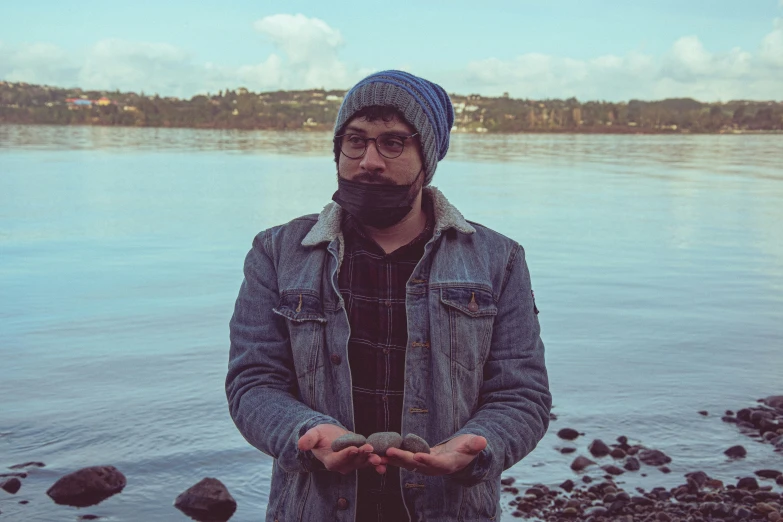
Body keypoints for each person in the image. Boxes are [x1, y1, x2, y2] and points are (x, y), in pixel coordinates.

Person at [226, 70, 551, 522]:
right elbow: (253, 383)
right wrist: (310, 434)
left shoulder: (498, 259)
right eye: (355, 141)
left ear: (428, 157)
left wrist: (474, 449)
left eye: (393, 142)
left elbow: (522, 394)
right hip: (315, 508)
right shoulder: (278, 252)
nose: (369, 160)